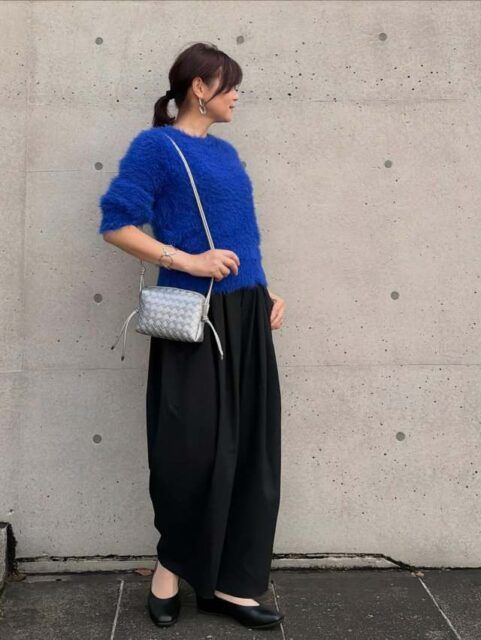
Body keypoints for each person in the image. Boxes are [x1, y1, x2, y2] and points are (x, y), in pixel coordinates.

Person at [97, 41, 286, 630]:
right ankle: (170, 569)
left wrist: (265, 290)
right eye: (230, 85)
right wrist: (187, 260)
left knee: (251, 452)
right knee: (190, 452)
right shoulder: (156, 147)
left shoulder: (226, 154)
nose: (237, 96)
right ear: (199, 88)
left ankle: (231, 584)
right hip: (196, 318)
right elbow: (116, 225)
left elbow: (242, 233)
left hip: (247, 313)